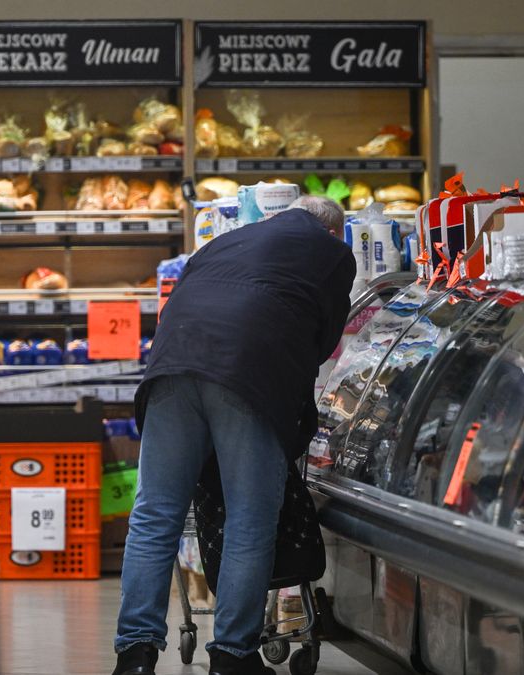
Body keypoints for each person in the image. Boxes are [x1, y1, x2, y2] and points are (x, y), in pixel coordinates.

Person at [113, 196, 355, 675]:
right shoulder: (332, 254)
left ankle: (134, 654)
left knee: (155, 513)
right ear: (332, 231)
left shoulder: (225, 241)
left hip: (172, 368)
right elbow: (326, 342)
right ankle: (232, 656)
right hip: (250, 379)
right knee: (249, 518)